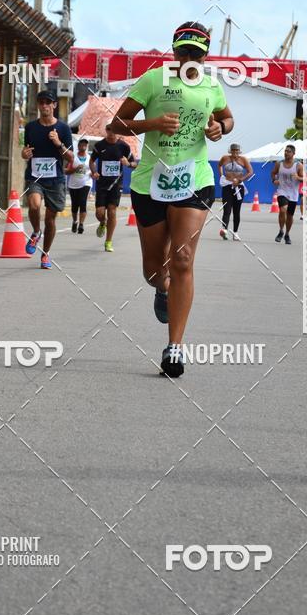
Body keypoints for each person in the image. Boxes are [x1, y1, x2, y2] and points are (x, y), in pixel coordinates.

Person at [110, 21, 234, 377]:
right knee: (153, 270)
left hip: (194, 179)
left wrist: (220, 128)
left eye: (197, 54)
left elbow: (227, 118)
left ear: (205, 56)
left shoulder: (212, 86)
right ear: (175, 52)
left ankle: (174, 348)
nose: (190, 59)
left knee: (182, 259)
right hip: (151, 181)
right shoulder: (153, 80)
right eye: (184, 52)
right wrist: (152, 125)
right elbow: (117, 124)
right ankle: (162, 288)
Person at [21, 89, 74, 269]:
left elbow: (70, 158)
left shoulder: (63, 129)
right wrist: (24, 154)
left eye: (48, 102)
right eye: (41, 102)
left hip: (55, 179)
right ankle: (36, 232)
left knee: (50, 220)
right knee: (34, 205)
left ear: (54, 105)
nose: (44, 105)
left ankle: (45, 254)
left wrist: (58, 143)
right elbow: (26, 151)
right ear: (38, 105)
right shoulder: (30, 127)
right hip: (35, 176)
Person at [89, 123, 136, 252]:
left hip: (116, 184)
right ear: (106, 130)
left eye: (114, 129)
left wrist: (128, 163)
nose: (112, 131)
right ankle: (102, 223)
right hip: (102, 184)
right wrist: (94, 172)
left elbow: (134, 164)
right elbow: (91, 161)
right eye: (109, 129)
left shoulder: (124, 146)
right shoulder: (99, 145)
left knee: (112, 211)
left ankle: (108, 242)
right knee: (99, 213)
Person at [218, 143, 253, 240]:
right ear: (230, 151)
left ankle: (235, 232)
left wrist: (241, 180)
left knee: (236, 211)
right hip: (227, 185)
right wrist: (221, 175)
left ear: (239, 151)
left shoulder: (243, 159)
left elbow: (250, 172)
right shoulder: (225, 158)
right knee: (227, 209)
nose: (235, 152)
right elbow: (219, 165)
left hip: (238, 187)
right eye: (233, 150)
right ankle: (224, 231)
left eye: (237, 150)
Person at [272, 144, 304, 245]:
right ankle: (281, 230)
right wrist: (274, 180)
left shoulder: (298, 165)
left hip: (293, 193)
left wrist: (298, 177)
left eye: (288, 151)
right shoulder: (279, 164)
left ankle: (287, 234)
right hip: (282, 191)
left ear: (293, 153)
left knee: (290, 216)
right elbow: (273, 173)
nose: (286, 153)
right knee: (283, 210)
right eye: (285, 151)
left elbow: (305, 178)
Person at [65, 137, 92, 233]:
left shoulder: (90, 158)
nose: (84, 146)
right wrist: (75, 169)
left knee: (83, 202)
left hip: (86, 183)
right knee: (75, 205)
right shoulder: (72, 158)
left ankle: (81, 224)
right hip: (73, 184)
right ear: (78, 146)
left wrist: (93, 173)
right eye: (82, 144)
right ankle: (75, 221)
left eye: (85, 144)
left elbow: (93, 170)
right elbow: (66, 171)